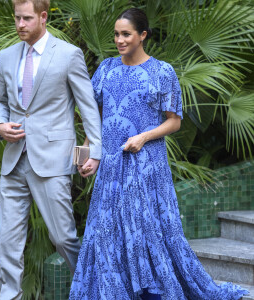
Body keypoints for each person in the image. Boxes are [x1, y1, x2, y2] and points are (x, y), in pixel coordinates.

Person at [69, 7, 249, 300]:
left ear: (142, 35)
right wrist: (87, 153)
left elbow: (174, 121)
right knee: (106, 230)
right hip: (112, 166)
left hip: (146, 165)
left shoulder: (162, 72)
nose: (119, 40)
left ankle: (153, 290)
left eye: (126, 34)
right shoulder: (106, 69)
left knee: (148, 230)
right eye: (116, 34)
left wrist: (143, 136)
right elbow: (94, 118)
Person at [0, 0, 102, 298]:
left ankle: (91, 289)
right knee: (8, 242)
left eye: (27, 18)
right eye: (17, 18)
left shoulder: (68, 55)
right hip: (14, 162)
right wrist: (0, 125)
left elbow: (87, 107)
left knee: (63, 238)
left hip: (53, 160)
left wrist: (93, 152)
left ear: (43, 17)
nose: (20, 25)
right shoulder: (6, 56)